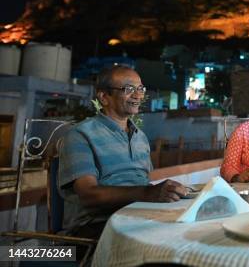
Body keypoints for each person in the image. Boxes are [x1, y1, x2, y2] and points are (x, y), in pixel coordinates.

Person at [58, 65, 188, 240]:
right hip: (95, 227)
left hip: (139, 216)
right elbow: (88, 194)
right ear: (104, 96)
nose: (138, 95)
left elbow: (142, 184)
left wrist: (170, 193)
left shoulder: (140, 137)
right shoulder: (80, 134)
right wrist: (148, 193)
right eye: (128, 89)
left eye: (140, 88)